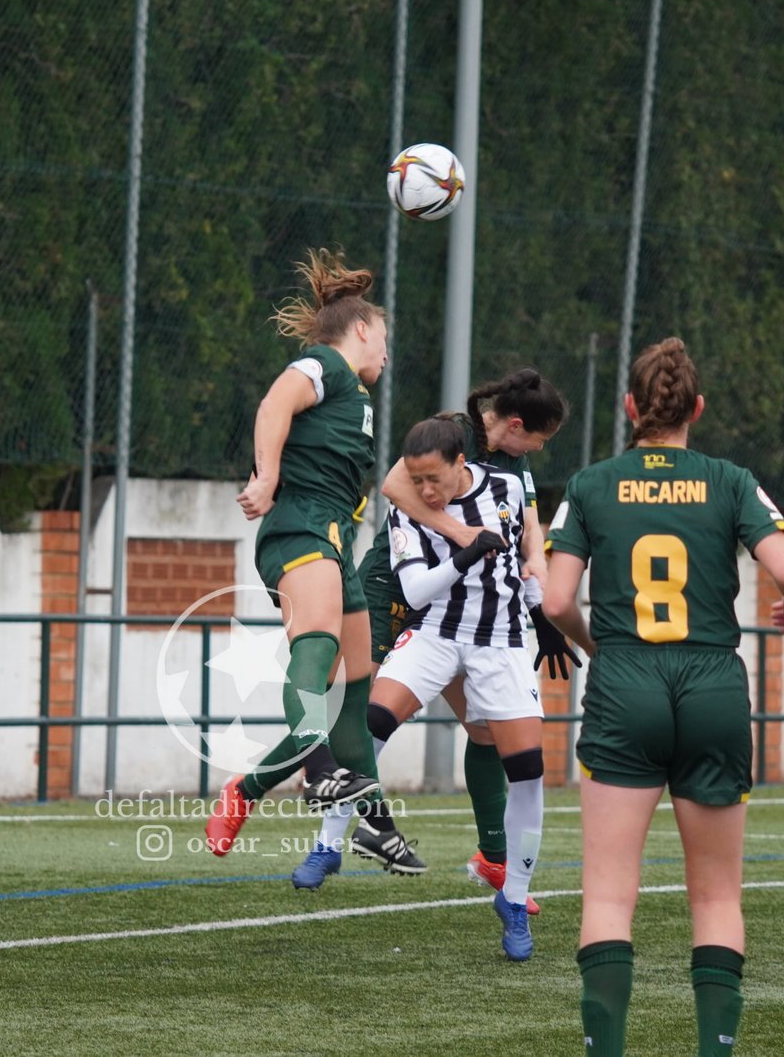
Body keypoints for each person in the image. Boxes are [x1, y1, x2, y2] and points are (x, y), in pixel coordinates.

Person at [542, 337, 784, 1055]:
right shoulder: (728, 479)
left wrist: (599, 646)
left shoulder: (592, 484)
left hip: (626, 679)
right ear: (696, 407)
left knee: (606, 894)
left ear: (631, 407)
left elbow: (557, 597)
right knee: (717, 896)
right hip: (713, 682)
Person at [290, 370, 574, 897]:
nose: (540, 447)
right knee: (360, 713)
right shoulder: (448, 434)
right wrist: (463, 537)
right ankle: (326, 842)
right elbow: (396, 487)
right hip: (396, 583)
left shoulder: (515, 466)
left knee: (487, 732)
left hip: (463, 610)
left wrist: (537, 586)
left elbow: (528, 526)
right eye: (541, 437)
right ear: (515, 425)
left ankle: (495, 858)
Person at [203, 248, 418, 866]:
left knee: (354, 688)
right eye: (383, 339)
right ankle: (316, 774)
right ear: (360, 330)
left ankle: (371, 823)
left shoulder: (350, 387)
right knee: (316, 652)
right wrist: (266, 476)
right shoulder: (326, 364)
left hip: (332, 543)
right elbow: (275, 404)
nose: (386, 352)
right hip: (299, 530)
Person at [349, 415, 549, 961]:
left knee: (527, 770)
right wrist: (461, 548)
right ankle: (327, 842)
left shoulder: (507, 487)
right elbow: (415, 588)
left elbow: (524, 559)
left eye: (433, 479)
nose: (426, 491)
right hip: (434, 631)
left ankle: (513, 896)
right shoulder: (408, 506)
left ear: (463, 463)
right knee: (365, 724)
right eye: (417, 481)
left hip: (501, 643)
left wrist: (544, 613)